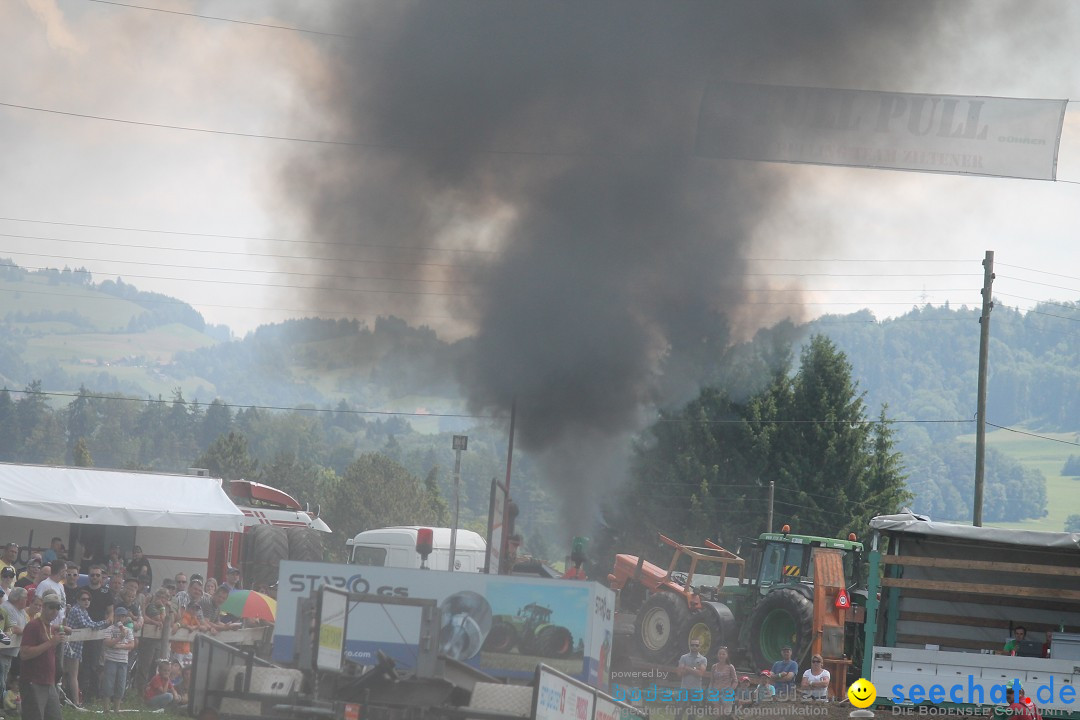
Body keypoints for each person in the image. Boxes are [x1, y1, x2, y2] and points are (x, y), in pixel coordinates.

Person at [19, 591, 67, 720]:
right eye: (51, 607)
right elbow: (24, 654)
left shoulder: (50, 627)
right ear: (43, 607)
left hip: (49, 682)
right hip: (33, 682)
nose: (55, 611)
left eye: (58, 607)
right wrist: (51, 642)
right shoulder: (33, 626)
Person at [63, 587, 109, 708]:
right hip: (71, 646)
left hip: (76, 646)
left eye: (89, 599)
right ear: (78, 600)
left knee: (66, 673)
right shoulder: (77, 610)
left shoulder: (83, 610)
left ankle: (65, 699)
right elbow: (88, 625)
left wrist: (102, 623)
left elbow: (91, 623)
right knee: (72, 675)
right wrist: (105, 622)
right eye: (83, 599)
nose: (86, 601)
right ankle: (76, 702)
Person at [102, 607, 135, 712]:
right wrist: (120, 638)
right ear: (115, 616)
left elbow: (132, 645)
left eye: (123, 616)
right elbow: (107, 643)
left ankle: (116, 709)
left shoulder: (128, 630)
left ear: (125, 618)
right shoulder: (109, 629)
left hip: (123, 661)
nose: (120, 618)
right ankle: (106, 709)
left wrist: (119, 646)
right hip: (111, 660)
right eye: (119, 616)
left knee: (121, 684)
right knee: (108, 683)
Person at [0, 587, 29, 705]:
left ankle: (6, 704)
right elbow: (14, 628)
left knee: (5, 678)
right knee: (1, 680)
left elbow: (27, 626)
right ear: (18, 599)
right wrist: (29, 632)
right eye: (25, 597)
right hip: (3, 651)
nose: (27, 600)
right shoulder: (7, 608)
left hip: (12, 652)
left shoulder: (21, 611)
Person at [675, 638, 708, 717]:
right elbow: (679, 673)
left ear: (699, 646)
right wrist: (695, 669)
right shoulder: (683, 657)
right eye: (692, 645)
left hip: (696, 690)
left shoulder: (703, 659)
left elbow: (701, 673)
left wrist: (687, 668)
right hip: (684, 689)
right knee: (679, 712)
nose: (694, 647)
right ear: (689, 646)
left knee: (692, 714)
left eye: (696, 645)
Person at [711, 645, 738, 715]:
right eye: (720, 654)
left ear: (727, 655)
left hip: (726, 695)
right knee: (717, 715)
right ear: (717, 655)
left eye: (723, 654)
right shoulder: (714, 667)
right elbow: (712, 680)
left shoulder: (730, 667)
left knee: (725, 715)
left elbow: (735, 681)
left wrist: (730, 690)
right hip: (715, 694)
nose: (721, 656)